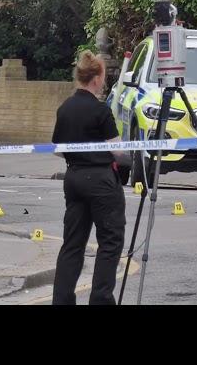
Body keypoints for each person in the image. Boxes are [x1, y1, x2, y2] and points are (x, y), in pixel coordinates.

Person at [51, 50, 126, 305]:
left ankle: (61, 300)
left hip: (73, 179)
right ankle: (101, 300)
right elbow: (118, 151)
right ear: (95, 79)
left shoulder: (65, 109)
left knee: (72, 243)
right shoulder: (100, 111)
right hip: (102, 182)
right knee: (110, 241)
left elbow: (59, 151)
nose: (103, 83)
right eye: (103, 78)